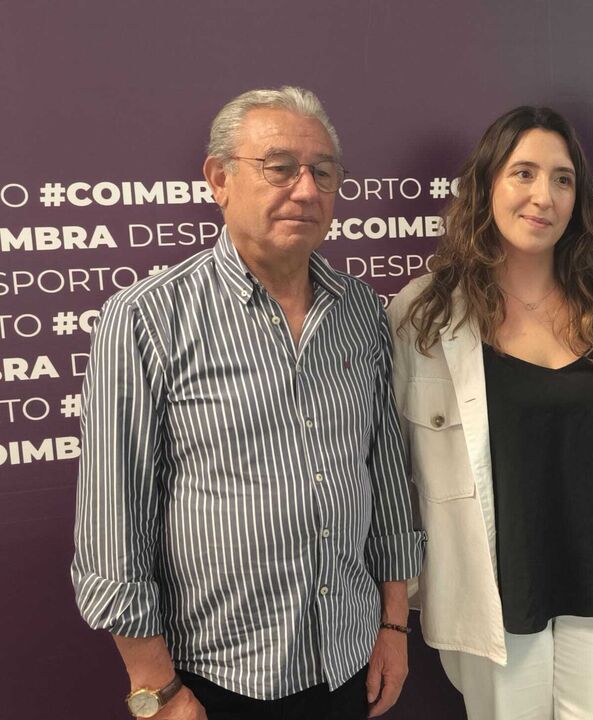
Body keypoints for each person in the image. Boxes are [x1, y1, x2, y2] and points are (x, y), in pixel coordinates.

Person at [72, 86, 425, 720]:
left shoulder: (362, 313)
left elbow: (387, 479)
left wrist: (394, 625)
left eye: (323, 172)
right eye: (280, 167)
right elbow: (113, 522)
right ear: (219, 179)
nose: (306, 190)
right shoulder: (148, 319)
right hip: (215, 678)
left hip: (348, 657)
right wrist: (154, 687)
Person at [387, 106, 593, 719]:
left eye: (563, 179)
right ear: (487, 185)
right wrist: (398, 602)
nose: (544, 196)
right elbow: (390, 472)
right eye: (524, 173)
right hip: (496, 598)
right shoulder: (422, 316)